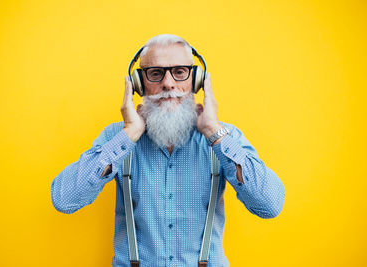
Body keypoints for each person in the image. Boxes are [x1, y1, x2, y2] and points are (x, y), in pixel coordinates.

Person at [51, 34, 285, 267]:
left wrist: (214, 133)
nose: (169, 84)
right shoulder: (118, 137)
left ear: (197, 80)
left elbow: (270, 205)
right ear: (139, 84)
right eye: (156, 73)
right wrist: (129, 134)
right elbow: (64, 199)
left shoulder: (225, 137)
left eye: (180, 72)